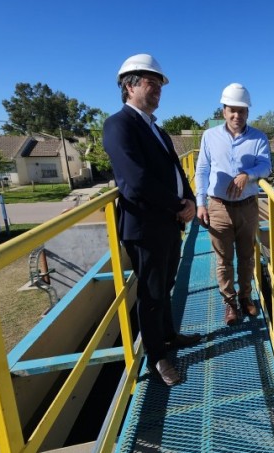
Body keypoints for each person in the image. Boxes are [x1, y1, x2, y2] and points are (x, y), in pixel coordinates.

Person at [103, 54, 201, 386]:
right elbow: (136, 180)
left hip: (169, 221)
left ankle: (170, 335)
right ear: (129, 85)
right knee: (151, 292)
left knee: (166, 285)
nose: (158, 88)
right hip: (145, 226)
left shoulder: (156, 129)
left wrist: (190, 199)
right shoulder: (119, 125)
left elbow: (176, 170)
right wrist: (178, 205)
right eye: (151, 82)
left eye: (159, 84)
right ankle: (157, 358)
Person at [195, 83, 271, 326]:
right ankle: (229, 304)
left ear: (248, 112)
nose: (237, 115)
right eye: (232, 110)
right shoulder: (210, 136)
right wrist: (200, 203)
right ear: (223, 111)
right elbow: (202, 170)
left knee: (247, 257)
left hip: (248, 206)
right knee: (224, 260)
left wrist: (247, 174)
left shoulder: (258, 137)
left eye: (242, 111)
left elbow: (266, 167)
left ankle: (245, 297)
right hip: (218, 207)